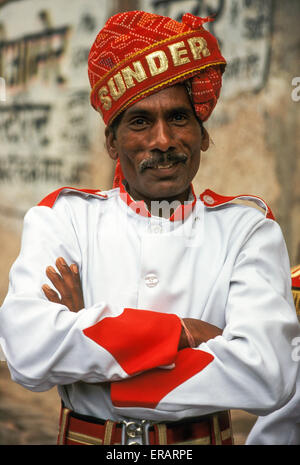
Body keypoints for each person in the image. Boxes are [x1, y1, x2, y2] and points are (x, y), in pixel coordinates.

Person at [0, 11, 299, 446]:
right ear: (112, 142)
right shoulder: (64, 219)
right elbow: (28, 353)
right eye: (140, 122)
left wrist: (90, 339)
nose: (163, 140)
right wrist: (181, 332)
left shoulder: (247, 230)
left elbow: (267, 376)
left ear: (203, 135)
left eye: (178, 119)